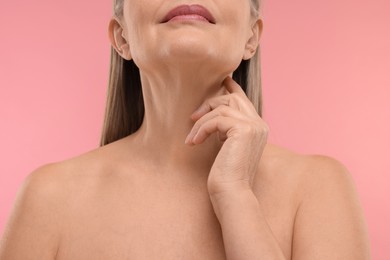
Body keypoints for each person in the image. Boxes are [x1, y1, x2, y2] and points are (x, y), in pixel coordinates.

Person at [0, 0, 370, 259]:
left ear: (251, 38)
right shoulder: (47, 200)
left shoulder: (320, 189)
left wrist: (236, 196)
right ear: (122, 37)